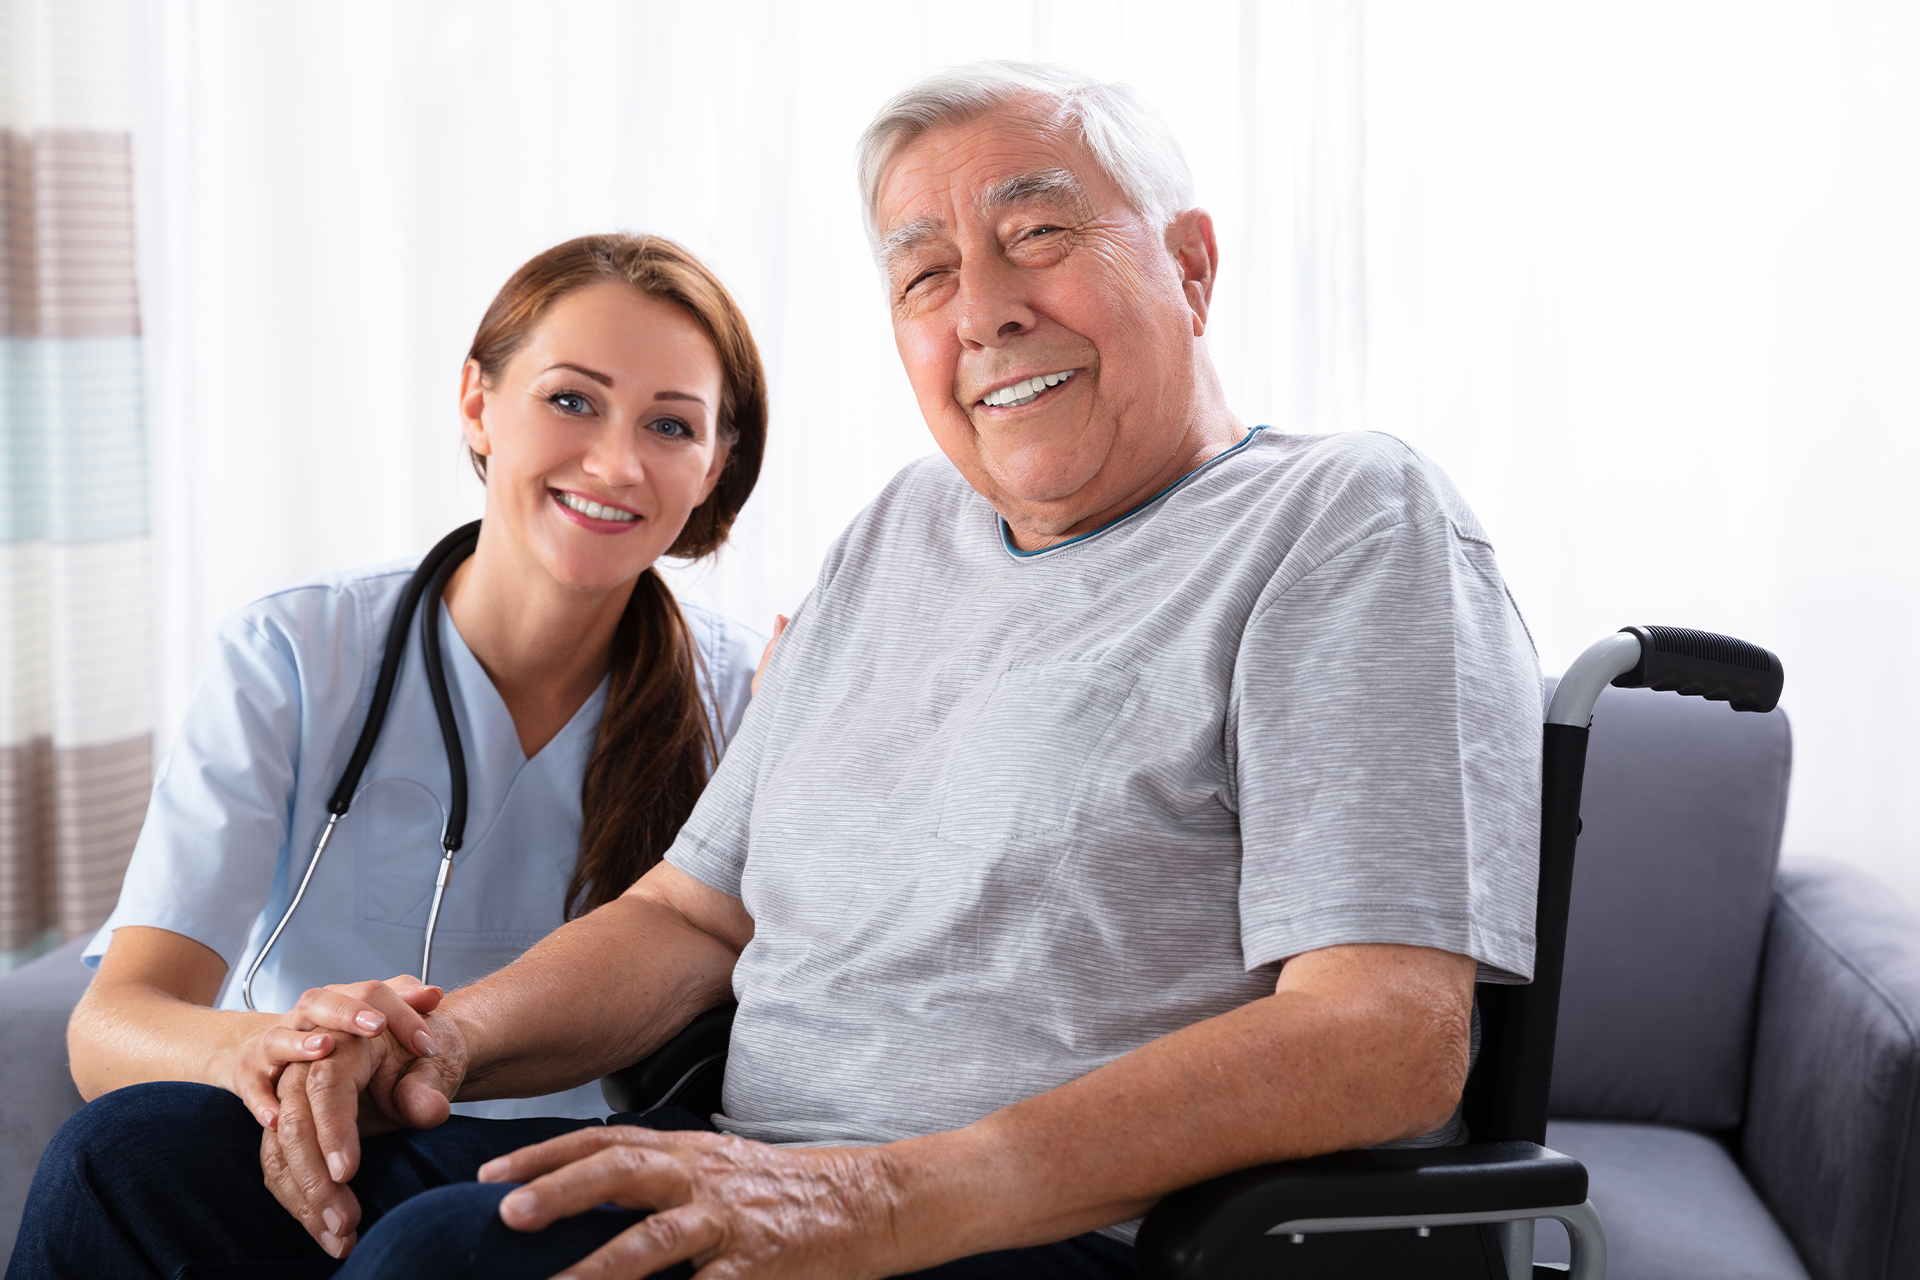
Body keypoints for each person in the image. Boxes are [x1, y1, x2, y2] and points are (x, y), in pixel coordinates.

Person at [10, 63, 1541, 1280]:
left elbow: (1385, 1039)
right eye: (924, 271)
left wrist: (885, 1193)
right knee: (136, 1166)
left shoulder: (1344, 518)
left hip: (1031, 1229)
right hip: (756, 1170)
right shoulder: (902, 533)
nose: (984, 304)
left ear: (1192, 267)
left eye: (1039, 232)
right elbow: (693, 913)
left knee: (457, 1259)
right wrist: (446, 1039)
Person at [59, 233, 770, 1127]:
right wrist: (272, 1050)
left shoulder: (751, 699)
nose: (616, 464)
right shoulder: (295, 656)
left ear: (712, 465)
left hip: (576, 1181)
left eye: (670, 425)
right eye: (571, 400)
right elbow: (113, 1026)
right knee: (114, 1144)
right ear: (478, 403)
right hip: (316, 1125)